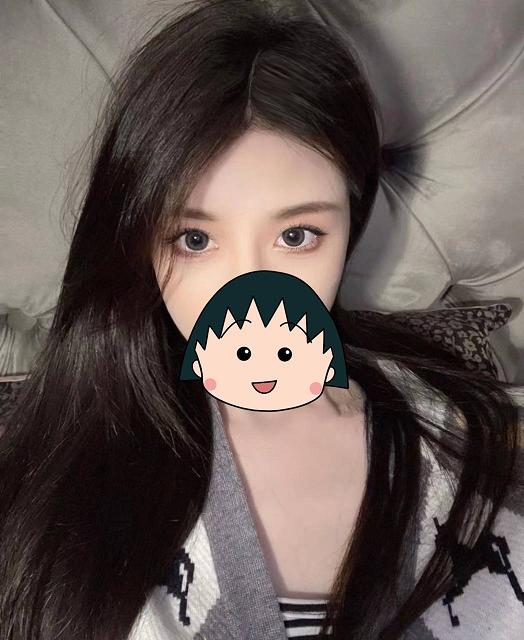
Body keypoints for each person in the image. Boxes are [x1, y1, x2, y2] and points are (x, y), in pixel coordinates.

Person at [0, 1, 522, 639]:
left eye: (297, 235)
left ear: (349, 228)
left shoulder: (456, 434)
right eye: (195, 240)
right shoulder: (54, 471)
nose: (247, 294)